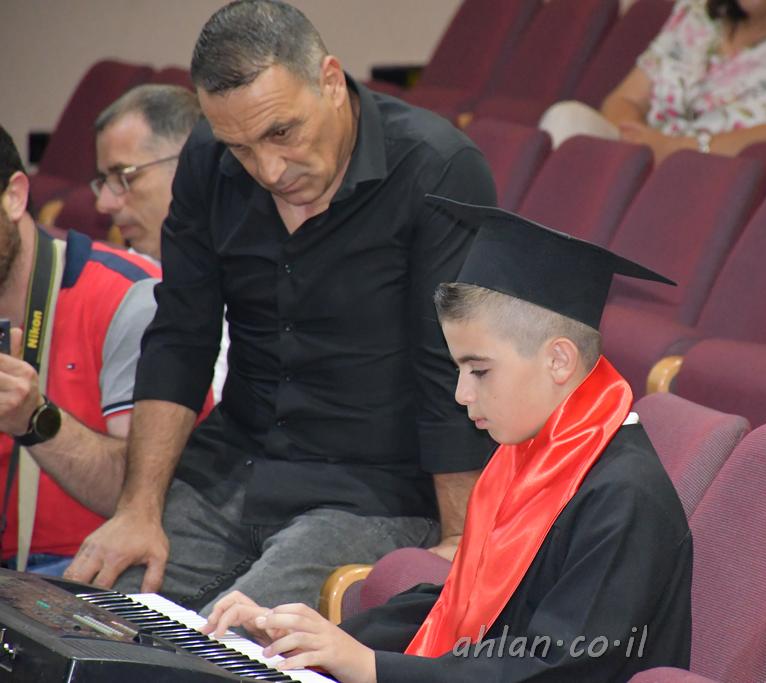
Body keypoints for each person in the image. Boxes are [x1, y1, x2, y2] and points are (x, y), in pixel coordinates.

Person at [65, 0, 497, 615]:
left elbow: (451, 365)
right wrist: (138, 509)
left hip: (371, 490)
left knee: (228, 645)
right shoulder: (207, 159)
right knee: (95, 618)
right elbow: (181, 335)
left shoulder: (436, 167)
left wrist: (459, 543)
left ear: (330, 81)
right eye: (240, 147)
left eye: (281, 133)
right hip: (232, 468)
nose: (268, 169)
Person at [201, 196, 693, 683]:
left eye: (479, 370)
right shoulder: (529, 457)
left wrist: (372, 667)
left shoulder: (624, 497)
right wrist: (313, 638)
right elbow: (464, 606)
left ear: (559, 361)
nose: (461, 394)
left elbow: (561, 667)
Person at [0, 125, 160, 576]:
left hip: (84, 570)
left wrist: (34, 419)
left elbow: (143, 498)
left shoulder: (130, 297)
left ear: (14, 197)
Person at [540, 0, 766, 161]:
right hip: (643, 156)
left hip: (717, 172)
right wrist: (640, 140)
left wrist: (677, 148)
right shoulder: (696, 13)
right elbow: (622, 99)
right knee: (567, 117)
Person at [93, 84, 229, 403]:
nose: (104, 203)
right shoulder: (116, 283)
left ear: (190, 164)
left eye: (125, 176)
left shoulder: (252, 274)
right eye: (104, 181)